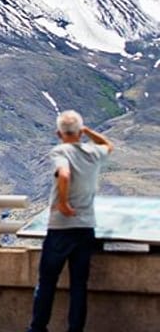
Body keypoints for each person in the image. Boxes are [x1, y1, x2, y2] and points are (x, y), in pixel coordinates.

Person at [27, 110, 113, 332]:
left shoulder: (60, 151)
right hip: (85, 227)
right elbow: (108, 145)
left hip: (61, 227)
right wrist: (88, 131)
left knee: (47, 282)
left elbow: (64, 174)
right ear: (80, 132)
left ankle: (38, 328)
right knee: (79, 285)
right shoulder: (93, 153)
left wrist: (63, 203)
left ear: (59, 133)